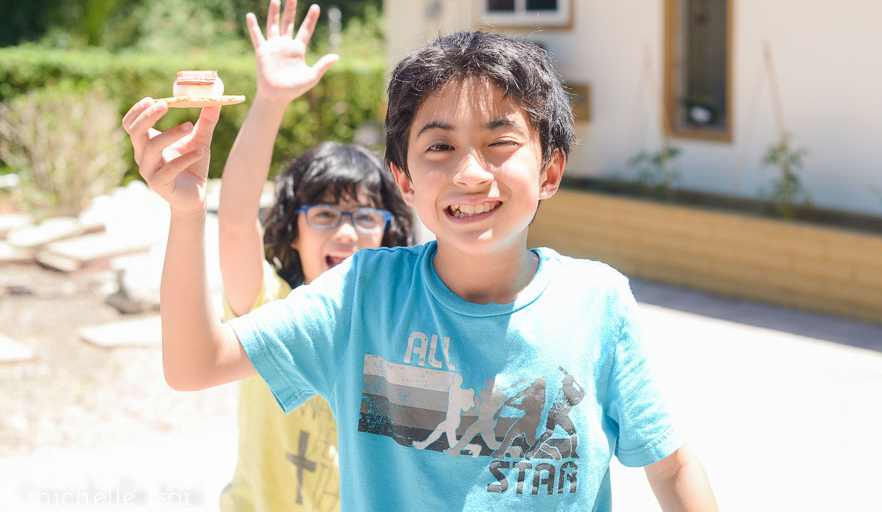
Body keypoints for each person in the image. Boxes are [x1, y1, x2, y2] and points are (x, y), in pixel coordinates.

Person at [122, 30, 718, 511]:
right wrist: (185, 210)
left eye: (500, 141)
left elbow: (672, 467)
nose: (470, 173)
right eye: (439, 146)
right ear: (404, 179)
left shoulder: (599, 303)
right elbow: (194, 364)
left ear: (550, 171)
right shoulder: (361, 296)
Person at [215, 0, 415, 512]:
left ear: (389, 234)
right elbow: (235, 222)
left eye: (364, 216)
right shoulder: (269, 309)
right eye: (324, 215)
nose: (346, 233)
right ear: (291, 232)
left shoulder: (403, 320)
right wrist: (270, 101)